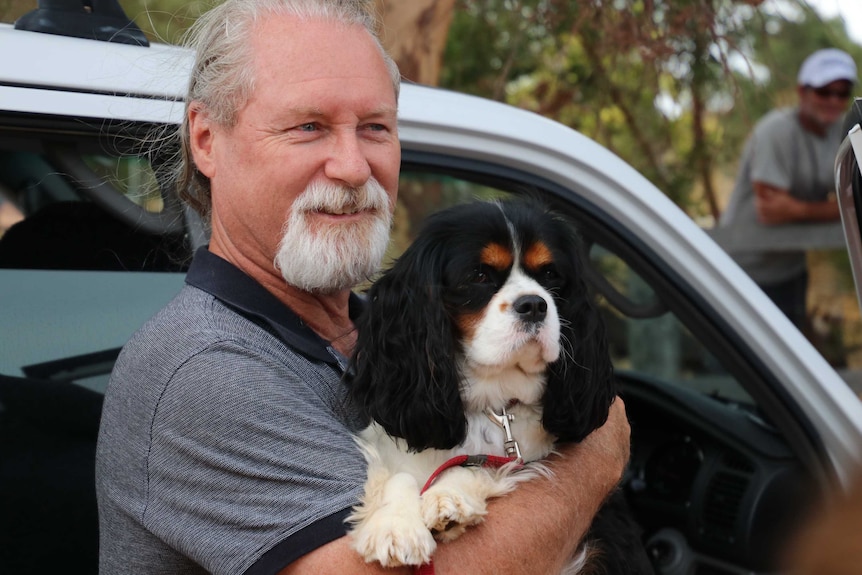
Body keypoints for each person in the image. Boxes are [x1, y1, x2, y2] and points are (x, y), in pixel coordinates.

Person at [95, 1, 632, 574]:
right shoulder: (205, 371)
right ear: (206, 140)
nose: (353, 166)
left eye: (375, 127)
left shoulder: (392, 330)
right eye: (308, 127)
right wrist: (592, 459)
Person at [719, 48, 857, 330]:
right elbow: (772, 210)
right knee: (732, 361)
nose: (833, 100)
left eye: (842, 93)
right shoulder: (775, 130)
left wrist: (802, 208)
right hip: (740, 271)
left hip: (790, 269)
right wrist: (842, 206)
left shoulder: (843, 134)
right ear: (802, 91)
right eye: (823, 90)